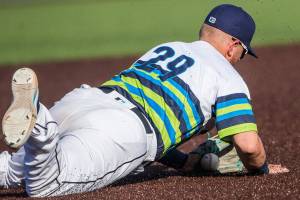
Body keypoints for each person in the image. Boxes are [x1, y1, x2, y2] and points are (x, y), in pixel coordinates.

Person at [0, 4, 287, 197]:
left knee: (16, 171)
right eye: (243, 53)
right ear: (234, 45)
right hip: (121, 130)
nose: (240, 59)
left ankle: (40, 116)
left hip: (86, 99)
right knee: (47, 184)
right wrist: (259, 168)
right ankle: (41, 127)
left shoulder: (168, 47)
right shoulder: (228, 76)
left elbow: (157, 105)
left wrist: (183, 162)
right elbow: (249, 146)